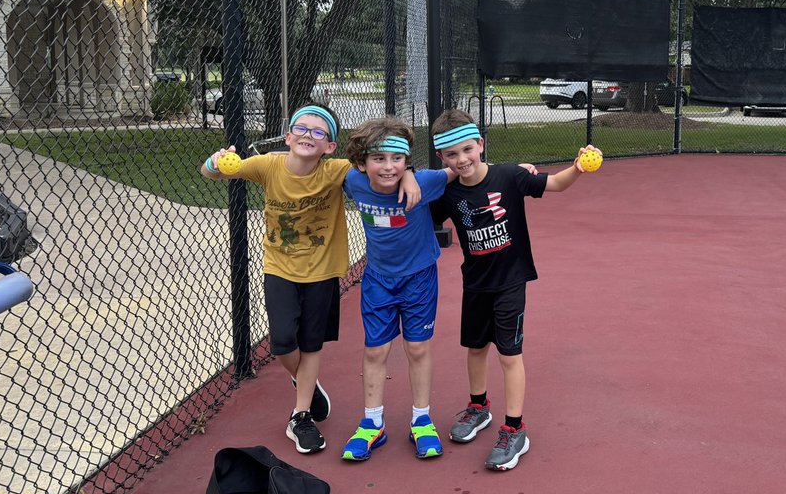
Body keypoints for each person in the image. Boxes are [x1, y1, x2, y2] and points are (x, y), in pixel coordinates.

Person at [201, 103, 419, 455]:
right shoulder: (268, 165)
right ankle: (304, 382)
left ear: (329, 147)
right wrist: (215, 162)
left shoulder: (335, 171)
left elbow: (382, 166)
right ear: (288, 137)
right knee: (284, 341)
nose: (308, 136)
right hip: (280, 267)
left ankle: (300, 416)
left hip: (322, 270)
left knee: (311, 342)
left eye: (319, 133)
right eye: (301, 129)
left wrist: (409, 172)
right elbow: (214, 172)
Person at [429, 108, 601, 472]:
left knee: (509, 355)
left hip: (510, 282)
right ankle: (478, 408)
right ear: (442, 157)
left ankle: (515, 429)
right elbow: (422, 219)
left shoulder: (509, 176)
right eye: (451, 154)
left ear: (480, 144)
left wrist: (578, 169)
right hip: (475, 283)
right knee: (475, 349)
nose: (462, 159)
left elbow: (555, 184)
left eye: (467, 149)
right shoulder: (445, 192)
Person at [339, 116, 451, 462]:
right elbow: (309, 166)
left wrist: (414, 174)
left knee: (417, 348)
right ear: (362, 163)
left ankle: (422, 419)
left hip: (418, 278)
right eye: (379, 159)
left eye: (397, 159)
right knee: (375, 351)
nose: (389, 167)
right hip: (378, 280)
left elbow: (462, 168)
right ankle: (373, 423)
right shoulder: (353, 182)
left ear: (407, 160)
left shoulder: (426, 181)